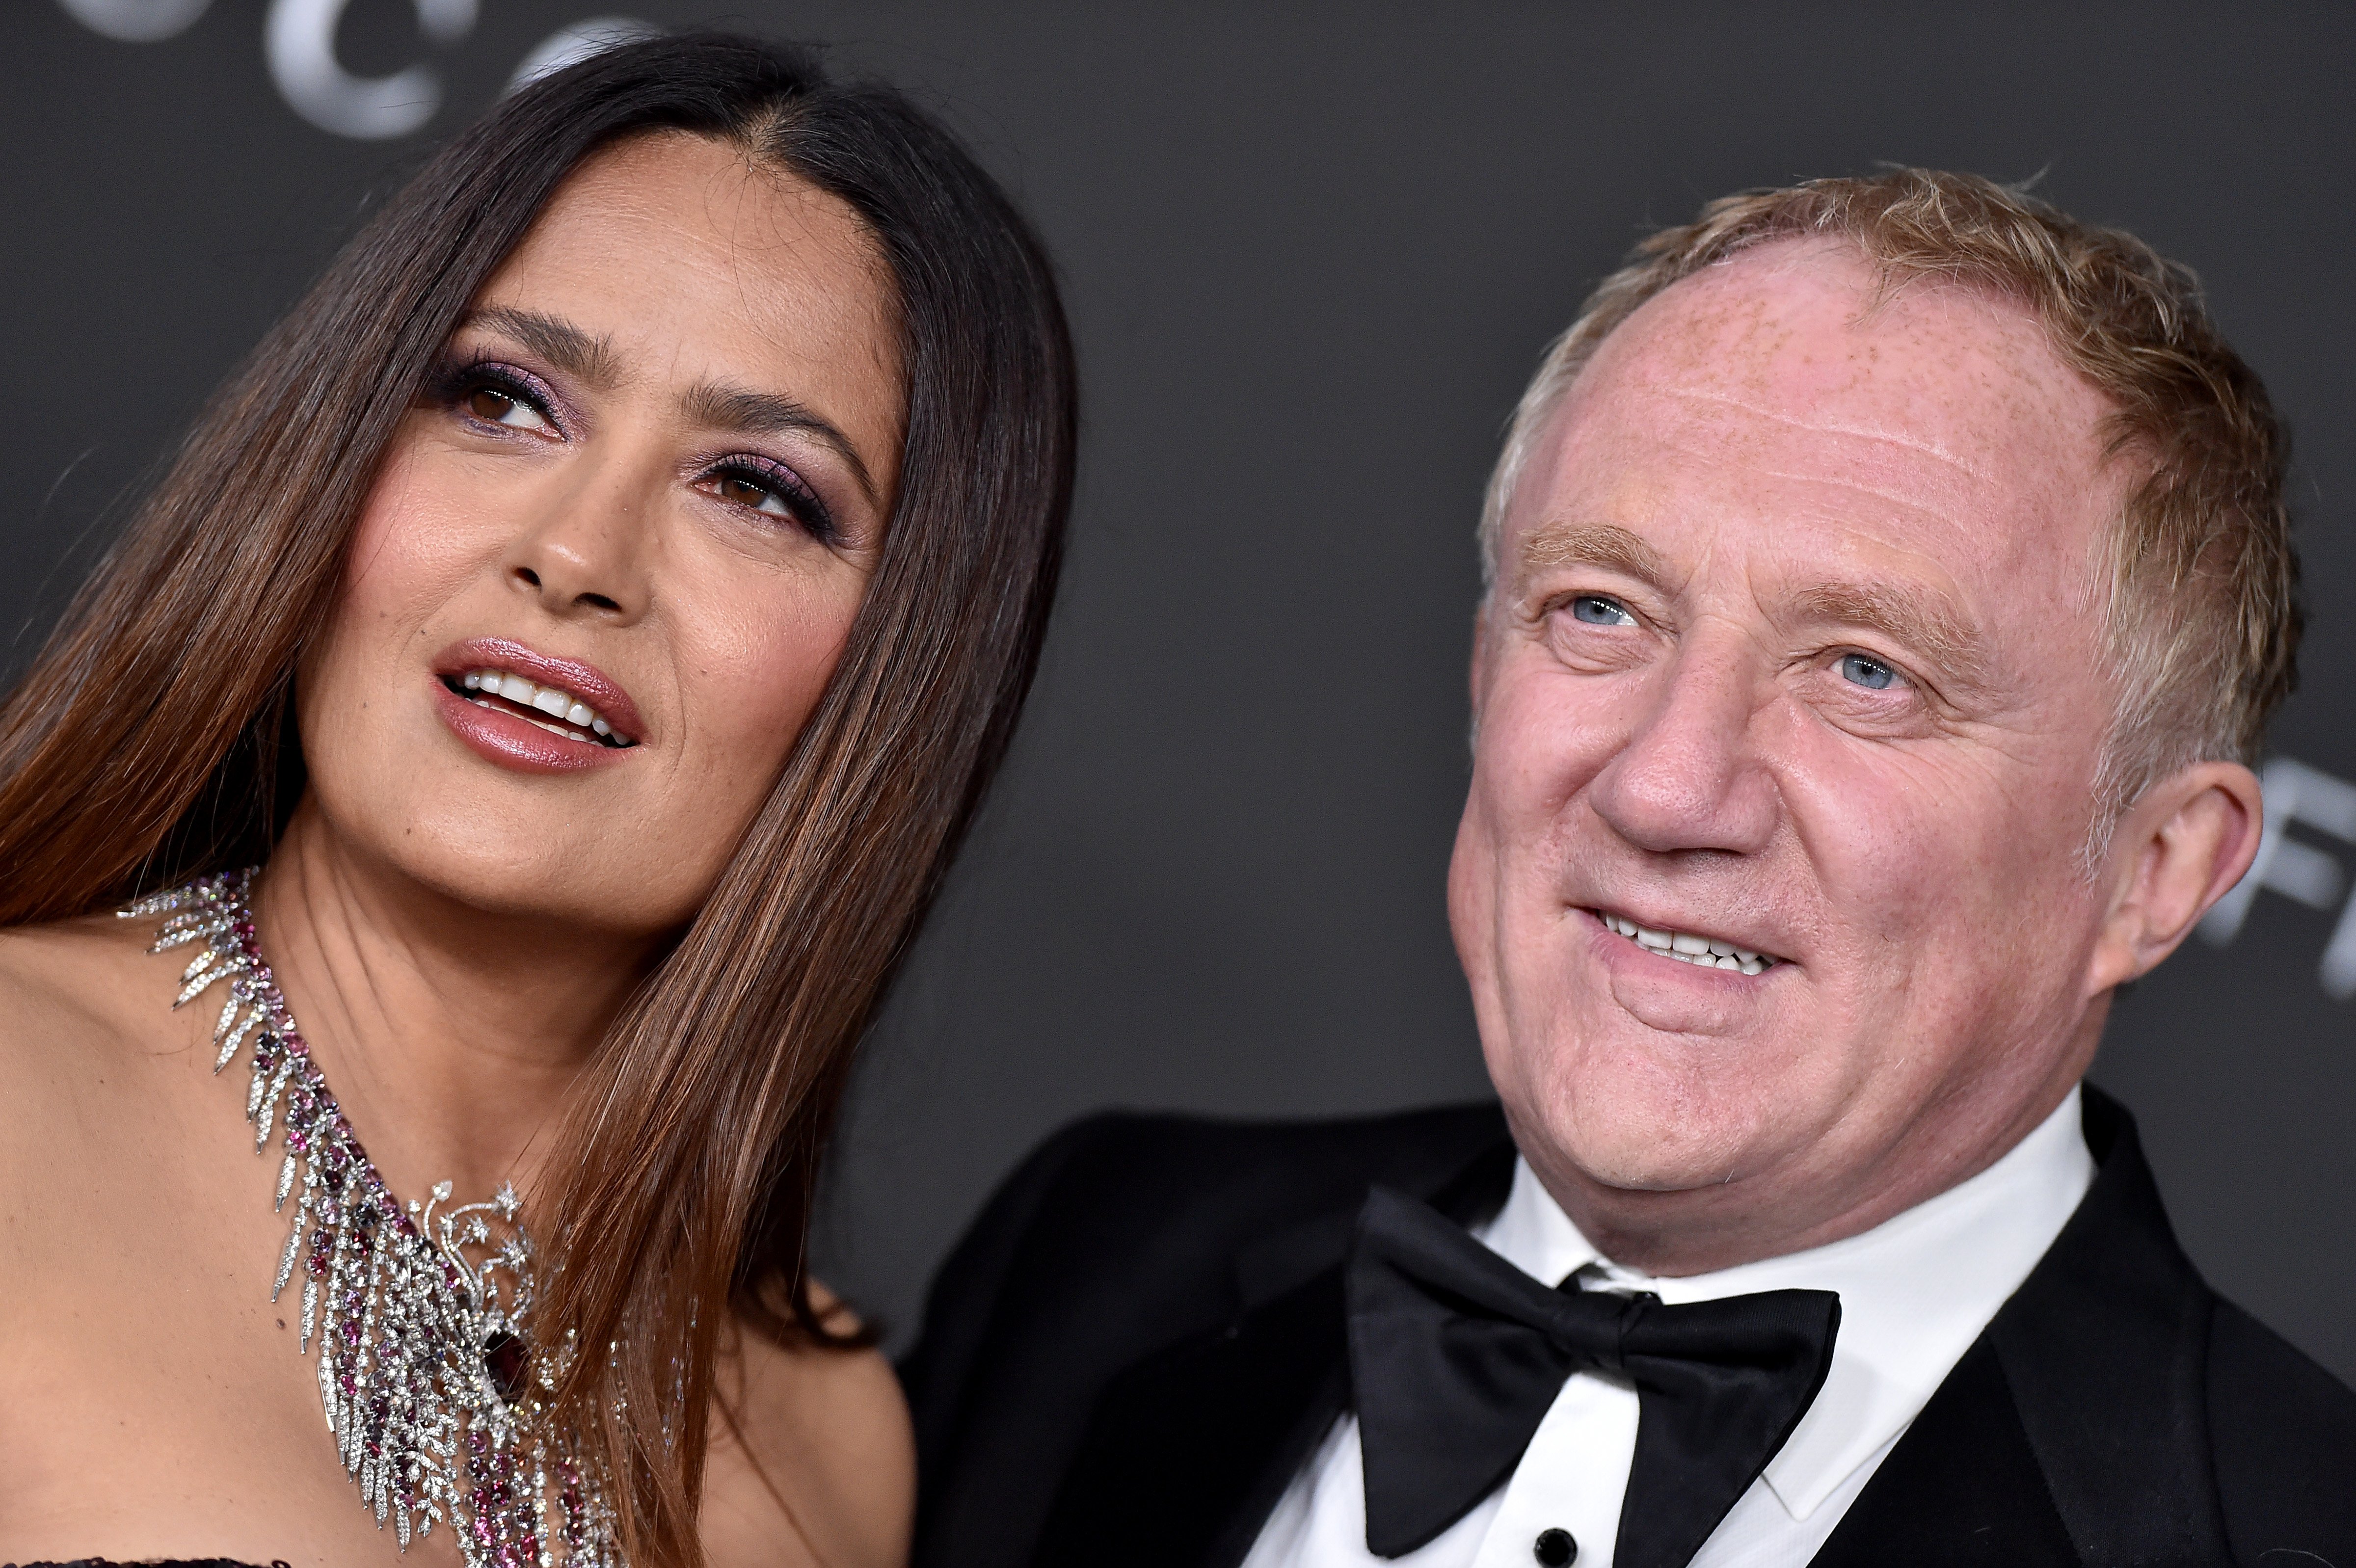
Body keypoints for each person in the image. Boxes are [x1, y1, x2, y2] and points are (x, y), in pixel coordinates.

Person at [901, 169, 2356, 1568]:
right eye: (1600, 608)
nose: (1667, 785)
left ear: (2158, 873)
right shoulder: (1096, 1258)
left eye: (1867, 670)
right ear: (1485, 672)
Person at [0, 32, 1072, 1568]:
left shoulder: (827, 1428)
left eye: (758, 489)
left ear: (901, 670)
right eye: (503, 398)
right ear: (339, 457)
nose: (576, 551)